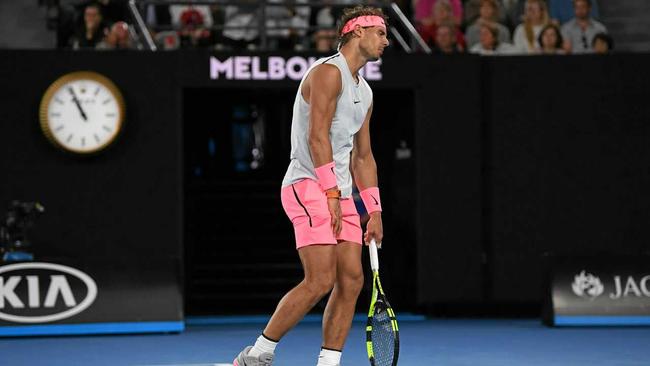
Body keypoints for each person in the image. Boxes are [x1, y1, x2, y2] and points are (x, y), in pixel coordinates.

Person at [232, 5, 388, 366]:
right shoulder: (326, 73)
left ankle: (328, 362)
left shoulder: (365, 92)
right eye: (380, 32)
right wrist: (331, 193)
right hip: (308, 185)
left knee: (351, 280)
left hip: (343, 193)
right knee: (320, 278)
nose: (386, 40)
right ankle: (257, 355)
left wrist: (374, 209)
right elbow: (317, 138)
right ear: (356, 32)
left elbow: (363, 156)